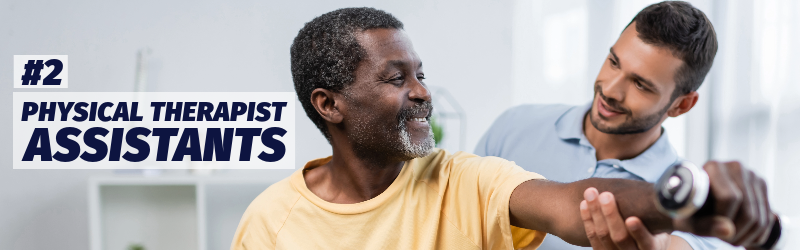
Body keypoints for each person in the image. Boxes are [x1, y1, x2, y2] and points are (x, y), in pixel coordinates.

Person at [231, 7, 775, 250]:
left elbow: (572, 203)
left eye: (421, 74)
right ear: (329, 105)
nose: (422, 91)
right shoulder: (270, 222)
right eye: (397, 78)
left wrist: (686, 198)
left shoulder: (464, 180)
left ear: (681, 105)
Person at [475, 1, 725, 249]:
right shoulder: (514, 127)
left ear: (681, 105)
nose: (610, 89)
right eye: (614, 62)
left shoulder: (686, 204)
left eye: (640, 84)